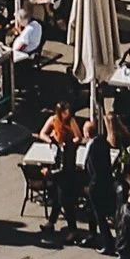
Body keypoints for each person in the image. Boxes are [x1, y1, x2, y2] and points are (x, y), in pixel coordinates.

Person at [42, 100, 83, 240]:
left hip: (66, 170)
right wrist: (50, 141)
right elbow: (42, 133)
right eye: (64, 112)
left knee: (65, 199)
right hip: (59, 164)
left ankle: (72, 229)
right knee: (57, 197)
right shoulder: (53, 120)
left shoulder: (70, 123)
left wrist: (70, 143)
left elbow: (79, 136)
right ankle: (51, 222)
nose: (67, 114)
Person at [83, 112, 122, 250]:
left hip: (96, 185)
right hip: (104, 182)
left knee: (99, 215)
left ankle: (107, 243)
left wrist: (90, 185)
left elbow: (94, 169)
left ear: (87, 133)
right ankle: (93, 235)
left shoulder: (93, 147)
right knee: (91, 211)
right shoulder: (103, 143)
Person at [5, 6, 46, 118]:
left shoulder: (28, 30)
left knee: (5, 67)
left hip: (23, 58)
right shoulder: (36, 25)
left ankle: (8, 89)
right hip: (31, 54)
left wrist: (13, 45)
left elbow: (22, 45)